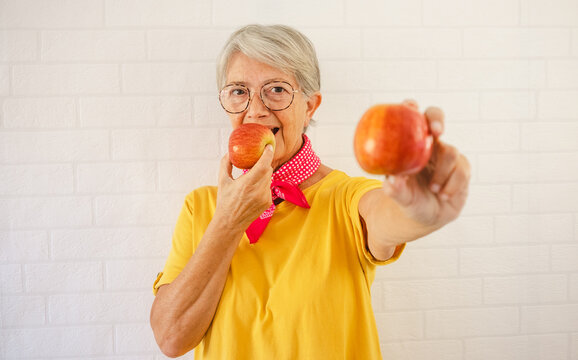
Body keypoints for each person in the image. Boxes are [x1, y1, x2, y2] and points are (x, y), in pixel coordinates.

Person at [150, 24, 470, 359]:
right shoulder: (201, 207)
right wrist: (228, 222)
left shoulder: (346, 197)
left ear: (310, 107)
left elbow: (388, 215)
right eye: (238, 91)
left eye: (276, 89)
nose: (256, 110)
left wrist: (420, 207)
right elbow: (171, 338)